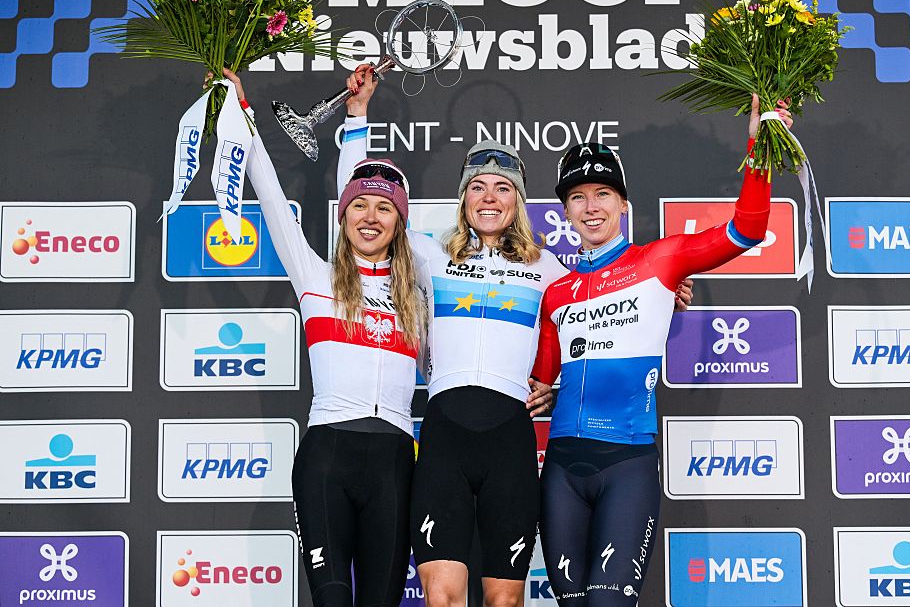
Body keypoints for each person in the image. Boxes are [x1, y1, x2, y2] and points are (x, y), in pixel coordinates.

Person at [338, 64, 693, 606]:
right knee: (442, 596)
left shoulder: (550, 269)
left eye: (502, 187)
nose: (488, 197)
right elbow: (363, 200)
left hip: (509, 438)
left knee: (506, 601)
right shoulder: (430, 255)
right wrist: (358, 117)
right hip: (443, 436)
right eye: (476, 187)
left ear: (518, 200)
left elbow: (615, 303)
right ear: (463, 199)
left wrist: (666, 289)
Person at [529, 96, 792, 605]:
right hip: (561, 469)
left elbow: (748, 229)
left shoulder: (661, 261)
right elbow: (541, 381)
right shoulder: (555, 290)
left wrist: (761, 145)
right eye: (578, 197)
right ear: (564, 211)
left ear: (624, 204)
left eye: (603, 193)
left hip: (625, 466)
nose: (591, 207)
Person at [220, 69, 426, 607]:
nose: (370, 216)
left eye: (385, 208)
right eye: (358, 205)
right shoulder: (315, 278)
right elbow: (267, 191)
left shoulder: (421, 294)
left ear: (401, 223)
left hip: (396, 461)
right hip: (327, 456)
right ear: (343, 215)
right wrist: (239, 112)